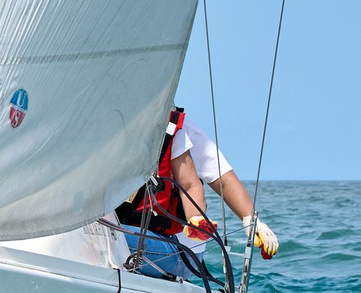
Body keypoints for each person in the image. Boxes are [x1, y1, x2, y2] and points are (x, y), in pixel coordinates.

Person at [118, 109, 280, 258]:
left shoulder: (179, 130)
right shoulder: (108, 123)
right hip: (116, 229)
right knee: (101, 235)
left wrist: (251, 222)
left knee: (107, 238)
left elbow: (220, 181)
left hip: (175, 244)